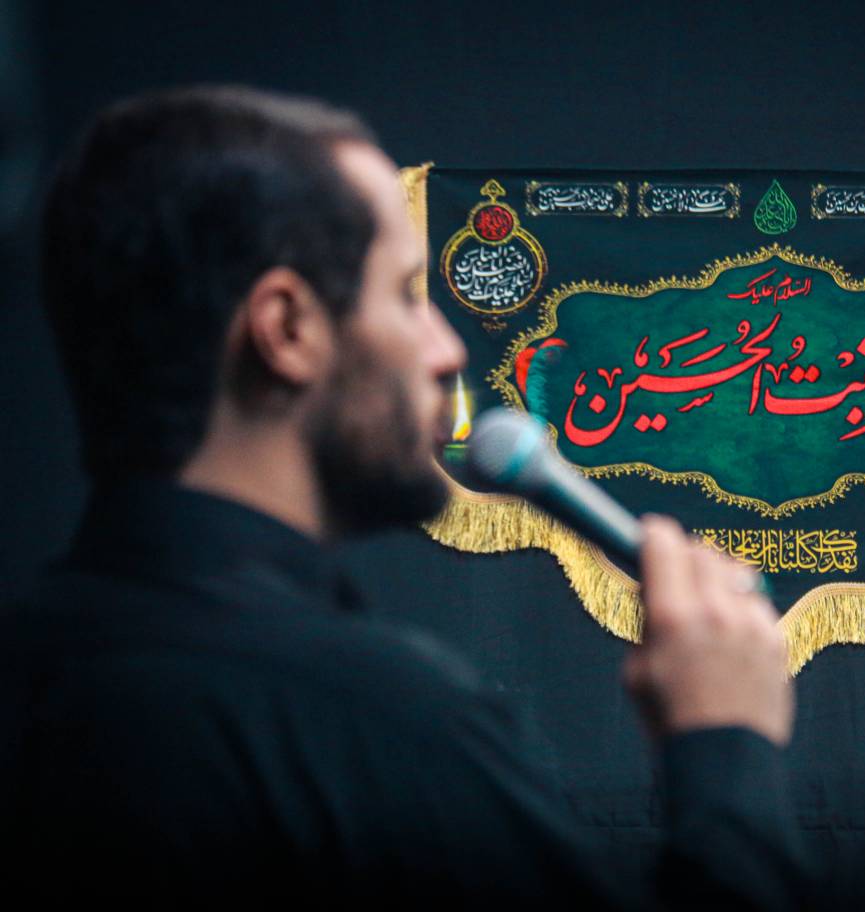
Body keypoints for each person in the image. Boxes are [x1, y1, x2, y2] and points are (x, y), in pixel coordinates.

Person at [0, 85, 810, 906]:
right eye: (405, 296)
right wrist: (726, 745)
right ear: (287, 329)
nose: (447, 349)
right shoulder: (380, 727)